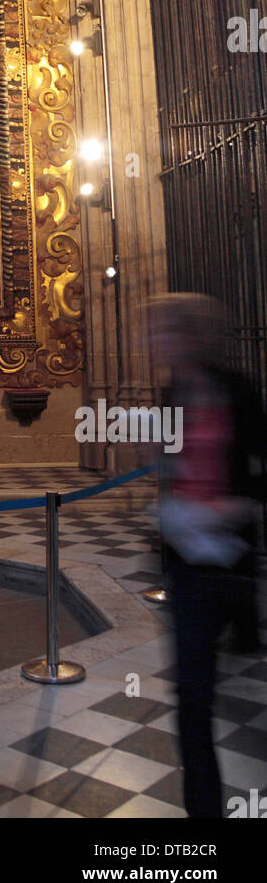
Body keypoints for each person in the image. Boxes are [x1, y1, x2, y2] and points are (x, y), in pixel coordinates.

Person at [149, 295, 266, 819]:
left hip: (230, 557)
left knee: (208, 694)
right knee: (193, 701)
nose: (156, 341)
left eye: (164, 331)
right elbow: (173, 468)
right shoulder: (171, 394)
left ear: (190, 335)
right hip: (187, 564)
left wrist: (234, 506)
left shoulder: (237, 392)